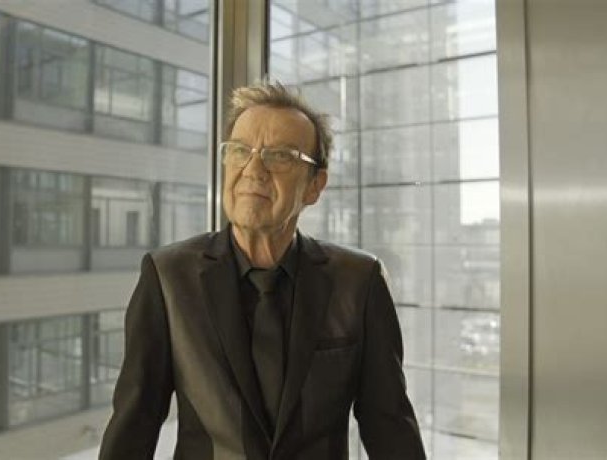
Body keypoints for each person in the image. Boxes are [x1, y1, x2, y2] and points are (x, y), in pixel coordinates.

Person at [98, 82, 426, 459]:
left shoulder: (359, 281)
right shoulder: (168, 277)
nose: (253, 170)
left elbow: (390, 426)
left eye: (280, 156)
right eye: (240, 151)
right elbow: (134, 424)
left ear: (315, 186)